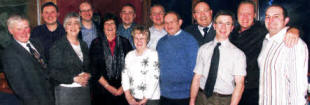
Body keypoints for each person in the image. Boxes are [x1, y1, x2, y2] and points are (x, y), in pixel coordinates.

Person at [229, 1, 301, 105]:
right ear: (237, 15)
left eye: (248, 14)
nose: (245, 17)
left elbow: (283, 29)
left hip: (254, 90)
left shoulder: (262, 30)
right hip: (232, 87)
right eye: (241, 13)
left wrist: (294, 30)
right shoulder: (232, 32)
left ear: (254, 15)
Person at [190, 10, 246, 105]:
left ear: (232, 28)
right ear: (214, 26)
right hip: (201, 97)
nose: (223, 27)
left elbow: (240, 85)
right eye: (220, 23)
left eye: (228, 24)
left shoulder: (238, 54)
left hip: (223, 100)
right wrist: (192, 100)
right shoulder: (203, 49)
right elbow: (197, 77)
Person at [258, 4, 308, 105]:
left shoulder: (294, 43)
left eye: (276, 17)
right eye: (267, 17)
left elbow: (298, 87)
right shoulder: (266, 41)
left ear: (286, 20)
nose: (271, 20)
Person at [1, 15, 54, 105]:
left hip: (52, 95)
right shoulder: (9, 54)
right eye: (19, 29)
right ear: (11, 31)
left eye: (26, 28)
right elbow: (20, 88)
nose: (24, 32)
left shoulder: (37, 43)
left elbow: (46, 69)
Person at [48, 13, 91, 105]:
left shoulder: (84, 45)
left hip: (84, 90)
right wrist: (74, 79)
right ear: (65, 27)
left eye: (76, 23)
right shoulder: (58, 46)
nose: (73, 26)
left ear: (80, 26)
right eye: (69, 23)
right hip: (66, 92)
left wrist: (88, 74)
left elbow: (88, 66)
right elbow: (53, 72)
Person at [90, 13, 132, 105]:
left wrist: (122, 87)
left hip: (122, 89)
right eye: (106, 23)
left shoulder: (125, 42)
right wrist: (108, 87)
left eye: (112, 23)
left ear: (116, 26)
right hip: (102, 90)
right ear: (103, 27)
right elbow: (94, 70)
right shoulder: (96, 43)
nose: (109, 26)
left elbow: (131, 67)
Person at [156, 11, 199, 105]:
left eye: (172, 22)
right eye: (166, 22)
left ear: (180, 22)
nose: (169, 25)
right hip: (164, 94)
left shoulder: (190, 41)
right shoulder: (161, 42)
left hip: (184, 95)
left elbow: (195, 70)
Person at [122, 25, 160, 105]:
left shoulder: (153, 54)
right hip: (133, 98)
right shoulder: (129, 55)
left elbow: (154, 78)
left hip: (151, 99)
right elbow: (124, 76)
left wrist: (145, 98)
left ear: (147, 40)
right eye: (136, 38)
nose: (139, 41)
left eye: (142, 38)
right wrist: (128, 96)